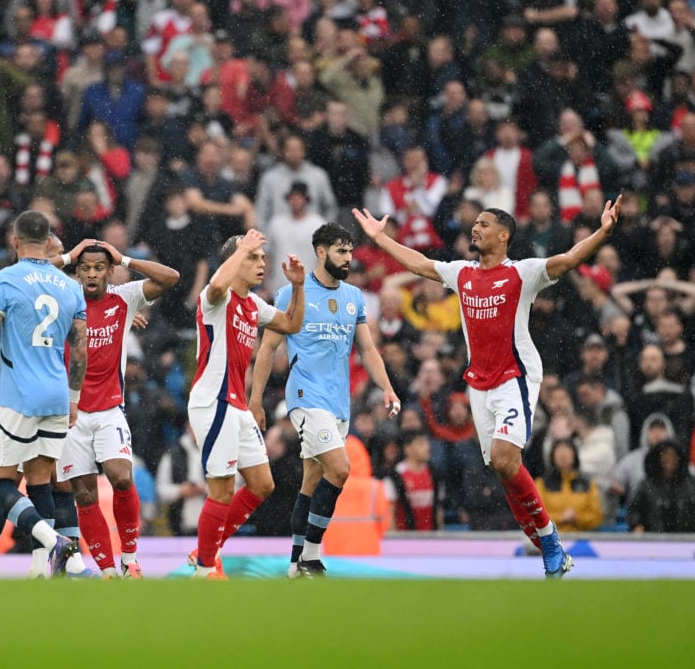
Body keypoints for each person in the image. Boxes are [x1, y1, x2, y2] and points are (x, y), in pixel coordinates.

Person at [352, 195, 622, 578]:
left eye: (483, 224)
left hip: (515, 376)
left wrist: (602, 232)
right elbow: (418, 263)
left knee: (506, 458)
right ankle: (552, 552)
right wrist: (380, 240)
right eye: (474, 224)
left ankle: (548, 541)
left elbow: (568, 259)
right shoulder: (461, 272)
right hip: (478, 384)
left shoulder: (522, 273)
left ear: (504, 234)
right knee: (501, 467)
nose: (474, 228)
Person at [250, 222, 400, 578]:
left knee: (311, 482)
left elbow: (367, 348)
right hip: (305, 396)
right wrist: (255, 400)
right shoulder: (291, 294)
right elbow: (268, 349)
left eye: (350, 251)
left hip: (338, 402)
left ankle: (294, 563)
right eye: (341, 251)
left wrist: (388, 387)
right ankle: (313, 558)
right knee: (340, 468)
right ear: (321, 252)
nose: (349, 258)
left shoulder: (353, 297)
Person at [0, 210, 85, 580]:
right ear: (48, 242)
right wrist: (73, 397)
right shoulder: (69, 286)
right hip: (56, 395)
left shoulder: (3, 280)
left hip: (17, 396)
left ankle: (55, 542)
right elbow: (81, 347)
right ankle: (37, 571)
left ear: (14, 241)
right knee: (39, 481)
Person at [49, 238, 179, 578]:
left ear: (110, 271)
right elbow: (29, 279)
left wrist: (126, 258)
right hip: (70, 413)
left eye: (99, 268)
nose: (92, 274)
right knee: (85, 493)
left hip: (109, 409)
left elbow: (171, 278)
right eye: (85, 269)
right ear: (77, 274)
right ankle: (107, 571)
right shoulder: (64, 300)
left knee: (121, 478)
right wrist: (67, 256)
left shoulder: (124, 297)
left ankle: (130, 559)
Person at [187, 229, 307, 579]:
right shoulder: (217, 300)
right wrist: (241, 249)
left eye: (261, 257)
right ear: (235, 260)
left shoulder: (253, 305)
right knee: (222, 489)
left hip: (237, 404)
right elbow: (215, 286)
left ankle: (204, 551)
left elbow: (290, 323)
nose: (261, 264)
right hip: (214, 401)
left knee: (262, 484)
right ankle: (206, 569)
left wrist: (297, 287)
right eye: (253, 257)